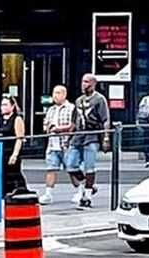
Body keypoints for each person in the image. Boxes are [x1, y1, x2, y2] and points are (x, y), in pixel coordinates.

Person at [70, 73, 110, 209]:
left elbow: (105, 119)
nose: (84, 84)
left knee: (89, 167)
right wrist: (68, 136)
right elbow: (74, 121)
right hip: (78, 136)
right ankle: (88, 185)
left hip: (92, 135)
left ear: (93, 84)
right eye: (83, 81)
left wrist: (106, 138)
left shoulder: (99, 99)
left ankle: (87, 196)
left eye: (87, 82)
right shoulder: (78, 100)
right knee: (70, 164)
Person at [41, 83, 75, 205]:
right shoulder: (51, 110)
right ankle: (48, 194)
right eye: (54, 93)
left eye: (58, 93)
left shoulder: (71, 108)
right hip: (52, 145)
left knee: (72, 169)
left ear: (64, 94)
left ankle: (80, 190)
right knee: (51, 169)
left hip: (66, 144)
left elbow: (74, 125)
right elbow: (45, 124)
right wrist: (47, 128)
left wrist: (59, 129)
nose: (55, 96)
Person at [0, 94, 28, 198]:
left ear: (12, 106)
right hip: (2, 150)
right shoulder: (0, 119)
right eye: (2, 105)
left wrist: (15, 154)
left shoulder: (17, 119)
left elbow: (19, 138)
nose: (3, 107)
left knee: (14, 173)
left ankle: (20, 191)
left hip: (12, 150)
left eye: (6, 105)